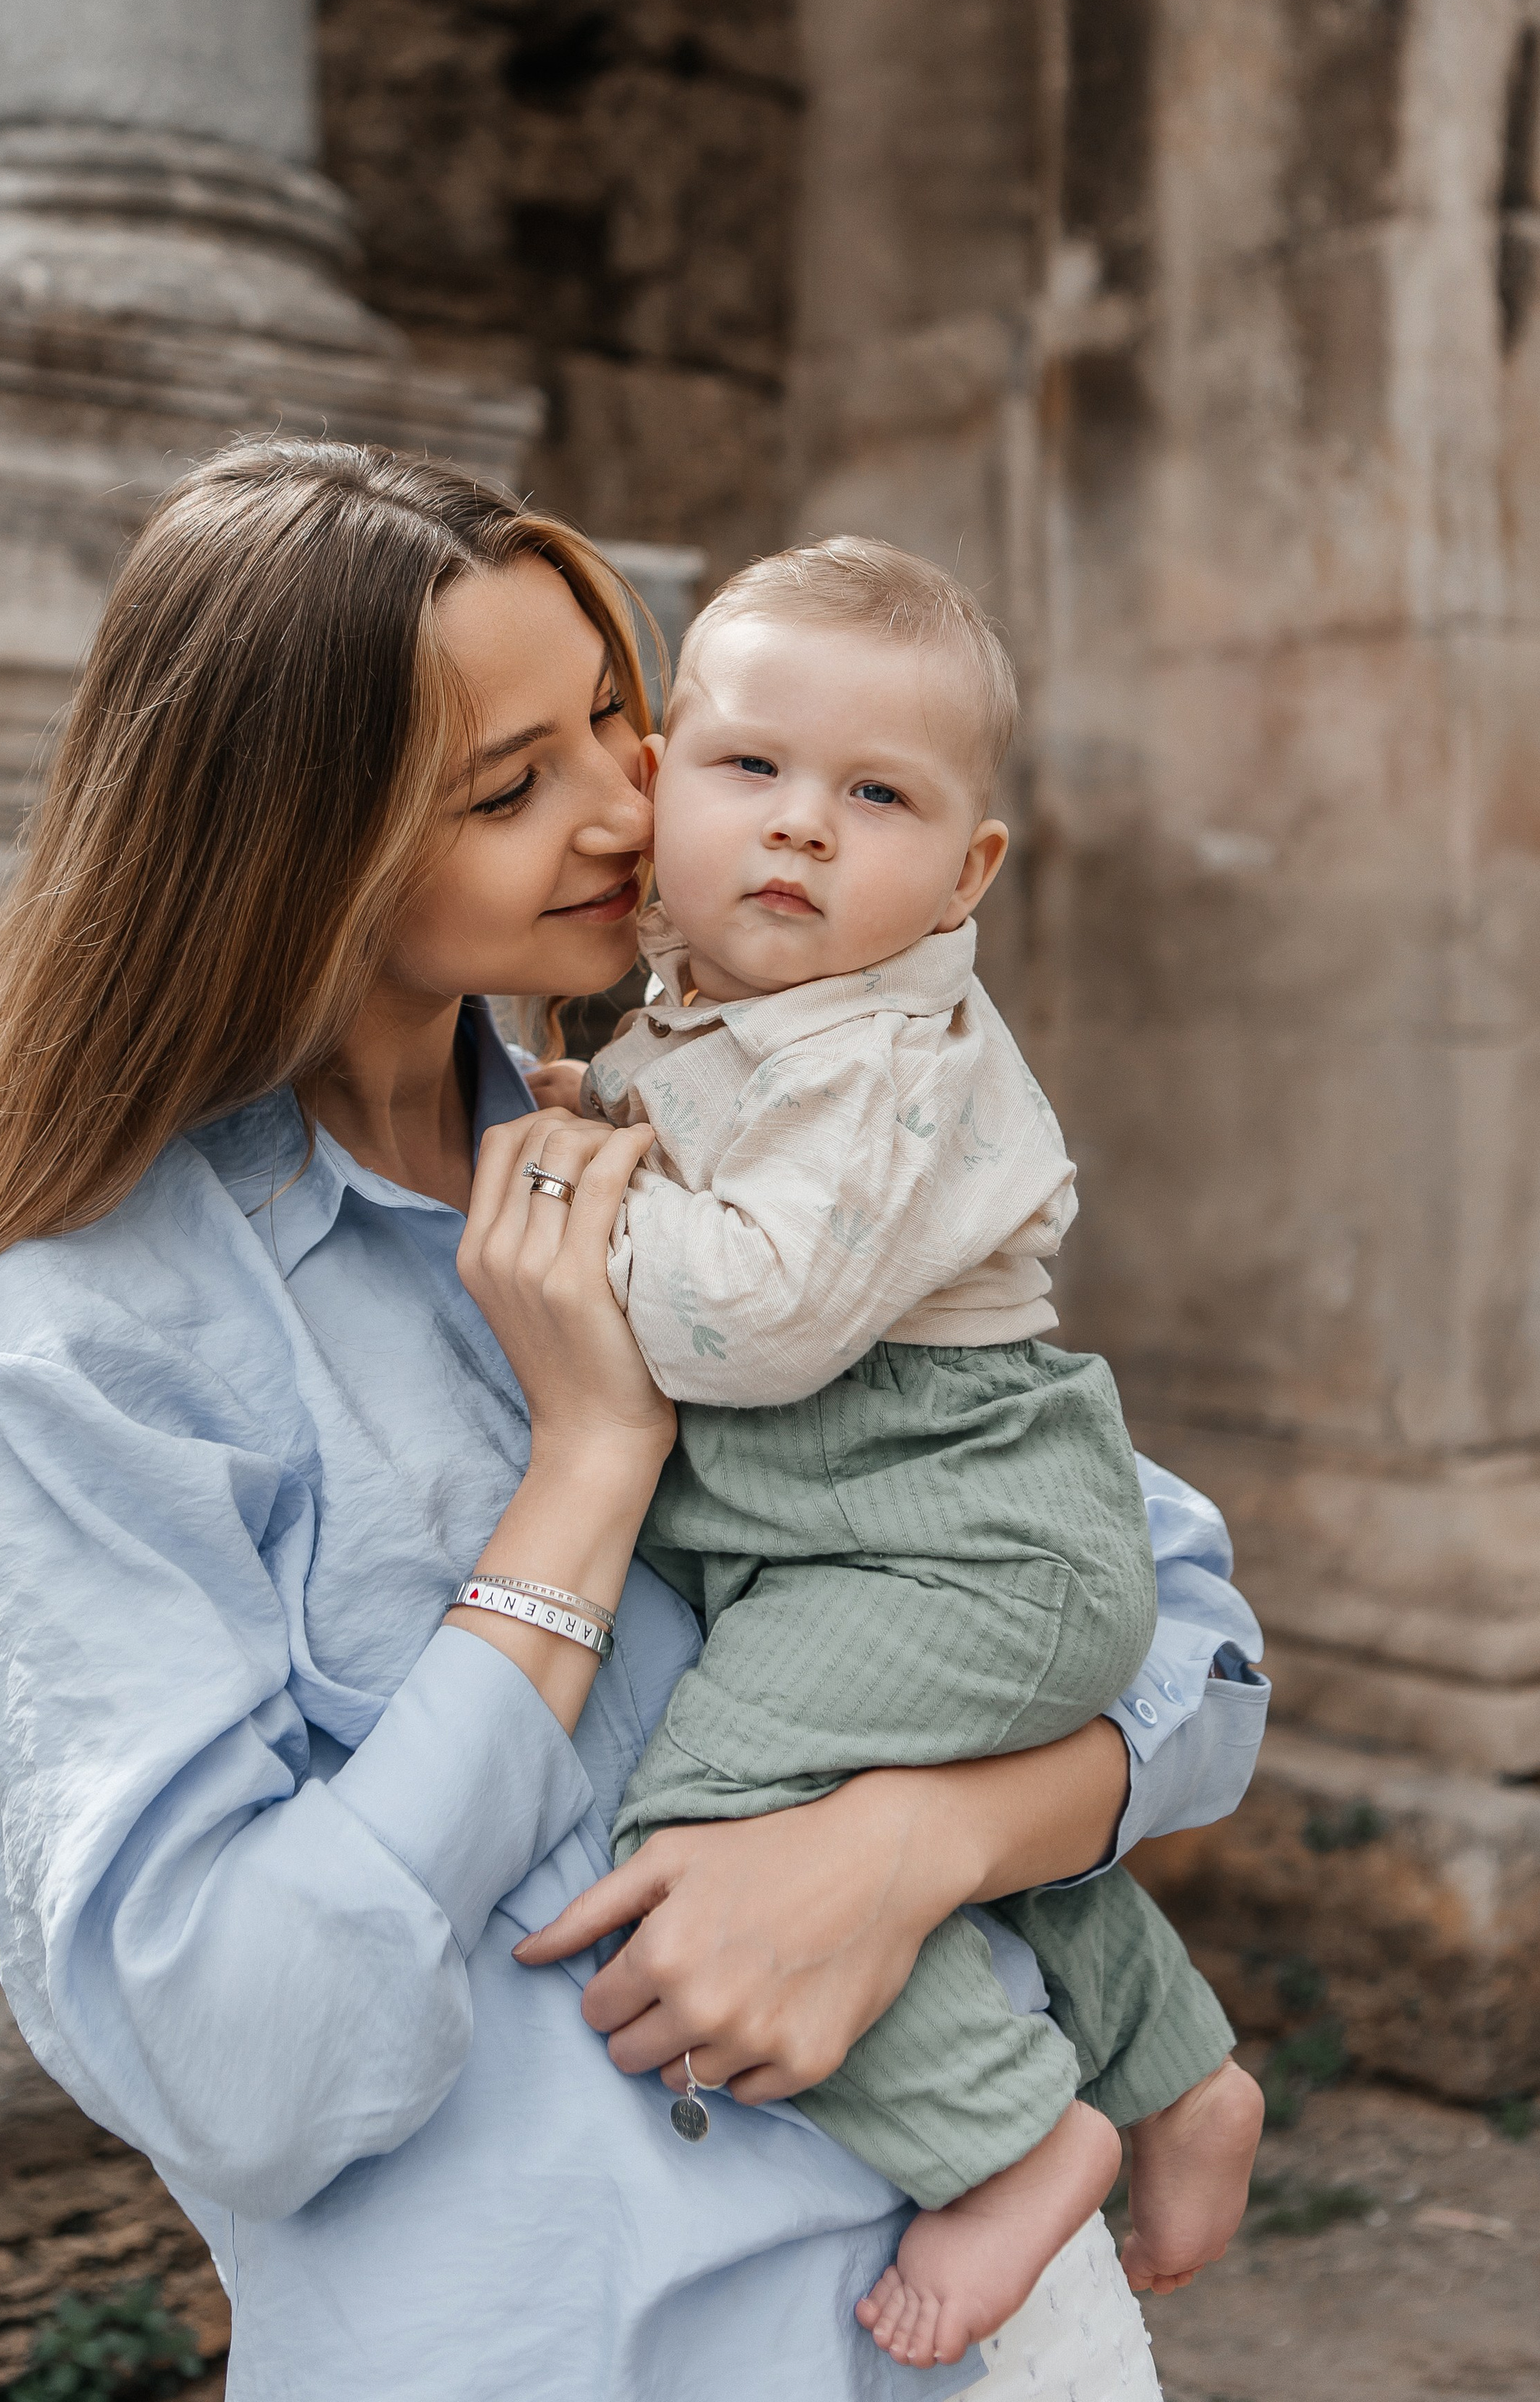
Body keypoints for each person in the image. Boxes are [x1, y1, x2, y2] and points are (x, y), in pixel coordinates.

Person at [0, 441, 1269, 2401]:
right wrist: (584, 1479)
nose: (625, 808)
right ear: (291, 850)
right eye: (508, 787)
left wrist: (919, 1841)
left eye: (612, 720)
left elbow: (1192, 1640)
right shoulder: (79, 1341)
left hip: (1007, 2325)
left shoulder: (700, 1142)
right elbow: (244, 2069)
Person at [525, 536, 1263, 2370]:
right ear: (660, 785)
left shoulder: (880, 1056)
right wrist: (603, 1100)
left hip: (952, 1527)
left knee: (714, 1824)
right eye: (750, 767)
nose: (799, 824)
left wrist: (580, 1193)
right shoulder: (744, 1005)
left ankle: (1010, 2145)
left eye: (876, 796)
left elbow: (751, 1321)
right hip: (884, 1523)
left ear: (965, 871)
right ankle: (1175, 2069)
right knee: (921, 1815)